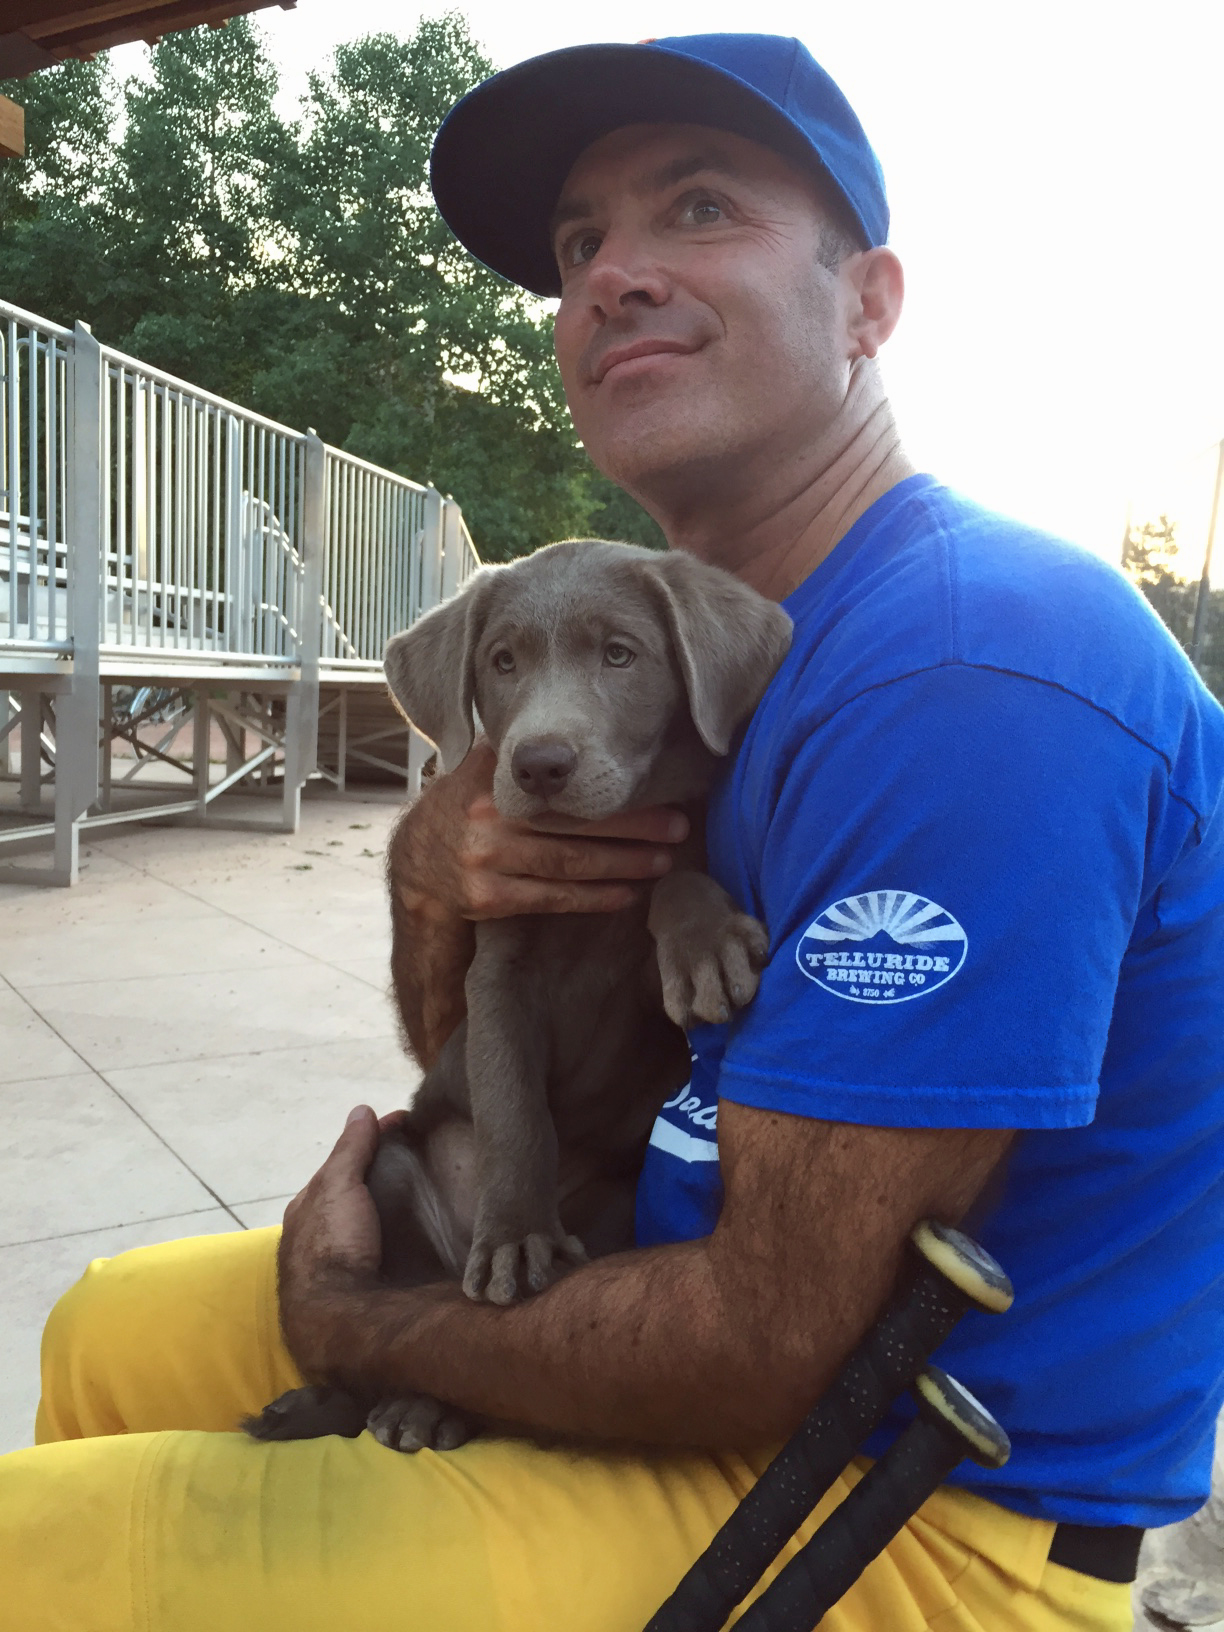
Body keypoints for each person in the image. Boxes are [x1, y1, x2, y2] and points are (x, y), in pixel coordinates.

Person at [3, 33, 1222, 1632]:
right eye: (581, 243)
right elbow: (467, 1046)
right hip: (639, 1270)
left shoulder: (968, 668)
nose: (614, 276)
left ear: (868, 304)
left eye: (699, 207)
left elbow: (765, 1339)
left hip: (904, 1506)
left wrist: (362, 1327)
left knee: (27, 1552)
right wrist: (432, 873)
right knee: (102, 1326)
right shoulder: (699, 658)